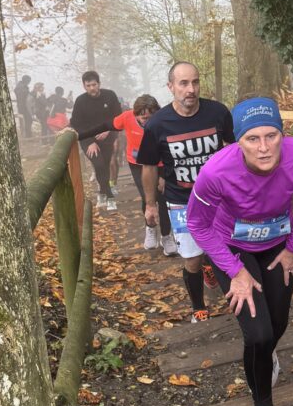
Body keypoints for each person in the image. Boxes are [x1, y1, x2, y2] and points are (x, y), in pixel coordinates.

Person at [187, 97, 293, 406]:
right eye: (252, 139)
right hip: (232, 246)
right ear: (237, 140)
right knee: (258, 332)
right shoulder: (217, 171)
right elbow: (197, 224)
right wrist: (235, 272)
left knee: (276, 325)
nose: (264, 148)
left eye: (271, 136)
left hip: (278, 244)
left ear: (282, 133)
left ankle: (266, 356)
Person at [136, 62, 234, 320]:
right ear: (170, 87)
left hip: (219, 198)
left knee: (225, 248)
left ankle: (229, 290)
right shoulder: (157, 124)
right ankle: (198, 307)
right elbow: (148, 166)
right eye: (183, 83)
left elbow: (236, 148)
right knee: (192, 258)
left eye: (195, 82)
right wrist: (150, 204)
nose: (191, 89)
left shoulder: (218, 113)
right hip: (182, 201)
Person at [113, 95, 177, 254]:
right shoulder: (127, 116)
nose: (146, 121)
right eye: (142, 118)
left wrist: (164, 176)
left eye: (150, 117)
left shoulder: (164, 122)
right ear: (135, 115)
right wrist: (80, 134)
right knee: (148, 197)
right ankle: (150, 228)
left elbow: (171, 150)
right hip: (137, 164)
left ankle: (166, 236)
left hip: (161, 164)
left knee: (163, 199)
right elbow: (107, 125)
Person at [69, 70, 123, 211]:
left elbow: (118, 117)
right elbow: (75, 123)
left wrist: (108, 130)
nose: (92, 88)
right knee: (98, 164)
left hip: (108, 137)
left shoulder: (110, 96)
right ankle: (109, 196)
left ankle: (102, 193)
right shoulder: (81, 101)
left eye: (94, 84)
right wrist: (90, 141)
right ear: (84, 86)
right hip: (88, 139)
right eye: (88, 85)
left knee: (104, 165)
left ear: (99, 84)